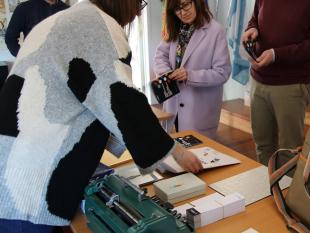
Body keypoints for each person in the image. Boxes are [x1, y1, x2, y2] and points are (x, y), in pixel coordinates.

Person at [0, 0, 203, 232]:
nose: (137, 12)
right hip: (29, 179)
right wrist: (173, 151)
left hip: (13, 164)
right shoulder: (96, 25)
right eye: (139, 2)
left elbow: (89, 100)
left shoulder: (70, 17)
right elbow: (121, 99)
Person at [242, 0, 310, 166]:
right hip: (258, 79)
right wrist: (251, 28)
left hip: (291, 84)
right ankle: (268, 189)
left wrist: (276, 55)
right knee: (263, 145)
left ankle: (288, 192)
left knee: (290, 150)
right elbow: (255, 18)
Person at [153, 0, 231, 139]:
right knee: (175, 155)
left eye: (186, 4)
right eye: (177, 9)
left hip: (199, 112)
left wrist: (189, 76)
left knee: (199, 157)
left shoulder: (215, 31)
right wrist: (167, 73)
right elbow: (160, 56)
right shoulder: (175, 27)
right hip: (172, 108)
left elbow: (222, 72)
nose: (183, 12)